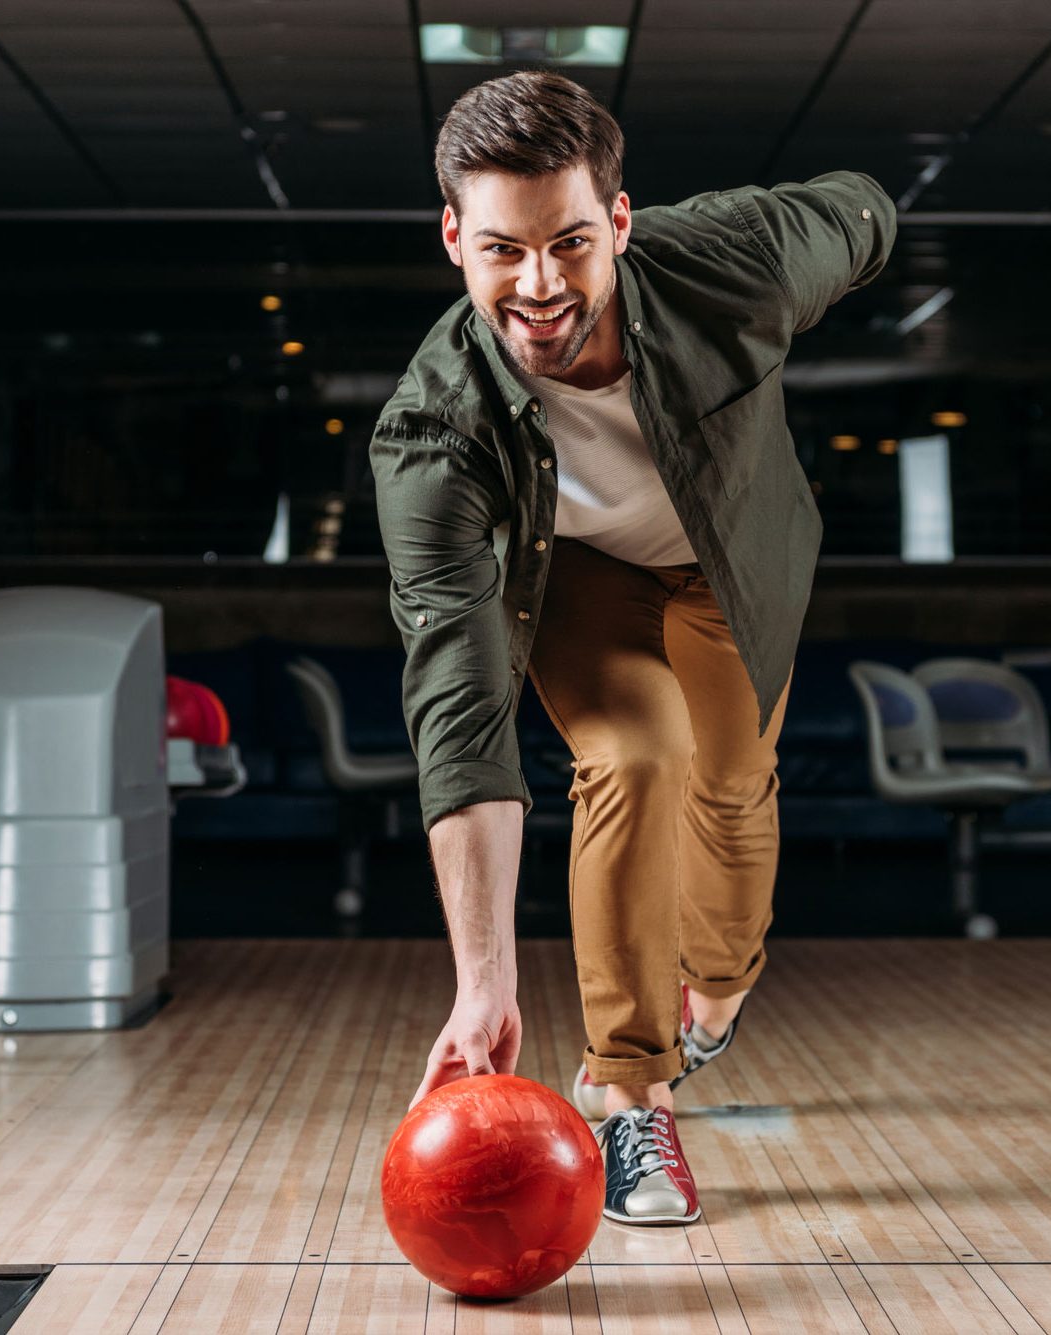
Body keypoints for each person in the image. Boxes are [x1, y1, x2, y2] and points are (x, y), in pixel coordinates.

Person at [369, 70, 895, 1225]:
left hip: (732, 567)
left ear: (619, 222)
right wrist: (483, 982)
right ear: (454, 237)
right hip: (581, 578)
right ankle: (628, 1090)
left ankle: (716, 993)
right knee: (634, 757)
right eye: (503, 250)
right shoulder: (430, 426)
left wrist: (859, 239)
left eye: (569, 243)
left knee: (734, 786)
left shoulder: (735, 260)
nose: (541, 287)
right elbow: (459, 706)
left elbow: (863, 206)